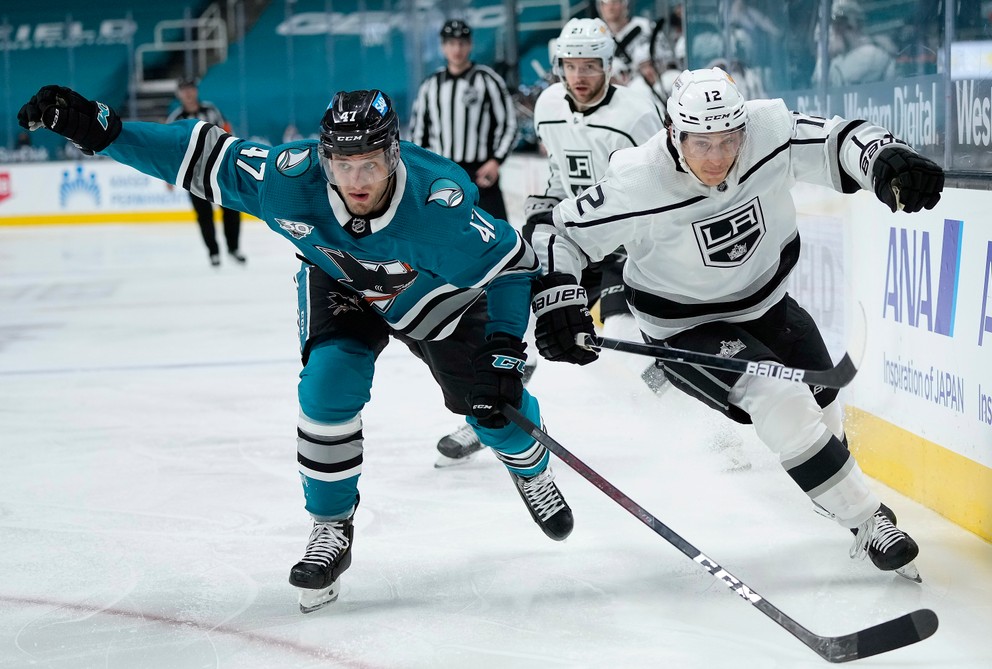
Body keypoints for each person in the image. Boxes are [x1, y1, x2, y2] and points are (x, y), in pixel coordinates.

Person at [19, 84, 575, 613]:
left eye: (371, 165)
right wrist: (104, 129)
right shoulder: (289, 180)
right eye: (343, 165)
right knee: (327, 391)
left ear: (394, 156)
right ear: (323, 158)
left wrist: (502, 352)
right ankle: (332, 526)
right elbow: (199, 156)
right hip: (340, 284)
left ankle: (531, 472)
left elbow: (512, 266)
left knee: (492, 406)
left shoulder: (439, 205)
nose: (357, 180)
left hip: (432, 296)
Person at [528, 67, 944, 581]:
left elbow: (840, 140)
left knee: (823, 401)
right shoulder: (637, 178)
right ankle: (868, 520)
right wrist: (557, 297)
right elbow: (558, 232)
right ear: (673, 134)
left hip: (766, 302)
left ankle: (842, 501)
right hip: (681, 327)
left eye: (729, 140)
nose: (717, 157)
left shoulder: (767, 128)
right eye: (701, 143)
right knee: (779, 398)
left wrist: (884, 156)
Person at [433, 18, 667, 467]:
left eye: (590, 66)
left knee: (626, 336)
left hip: (629, 242)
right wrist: (552, 201)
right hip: (573, 237)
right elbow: (563, 168)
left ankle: (708, 428)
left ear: (608, 65)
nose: (579, 76)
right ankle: (491, 411)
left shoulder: (636, 113)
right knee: (521, 316)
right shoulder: (548, 105)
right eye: (570, 66)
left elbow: (662, 184)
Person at [409, 19, 517, 222]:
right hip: (443, 173)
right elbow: (418, 133)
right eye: (451, 43)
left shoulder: (488, 80)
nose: (456, 49)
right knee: (445, 236)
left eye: (461, 43)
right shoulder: (430, 85)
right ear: (443, 47)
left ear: (470, 45)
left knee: (497, 237)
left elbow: (509, 124)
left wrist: (496, 161)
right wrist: (425, 169)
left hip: (481, 174)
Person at [166, 77, 246, 267]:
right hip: (194, 176)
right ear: (178, 94)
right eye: (184, 90)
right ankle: (213, 253)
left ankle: (233, 248)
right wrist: (168, 175)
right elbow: (168, 148)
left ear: (196, 90)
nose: (188, 93)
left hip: (220, 170)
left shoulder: (211, 110)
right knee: (204, 215)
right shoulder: (175, 119)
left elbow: (227, 133)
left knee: (231, 208)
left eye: (191, 88)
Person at [812, 1, 896, 86]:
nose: (835, 30)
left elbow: (839, 89)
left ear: (853, 24)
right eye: (835, 24)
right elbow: (816, 90)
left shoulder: (870, 53)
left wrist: (823, 56)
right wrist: (823, 58)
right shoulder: (838, 59)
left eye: (840, 23)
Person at [596, 0, 658, 84]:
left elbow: (667, 62)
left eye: (614, 2)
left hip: (645, 86)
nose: (610, 8)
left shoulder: (645, 27)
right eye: (605, 4)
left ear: (625, 4)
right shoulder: (596, 35)